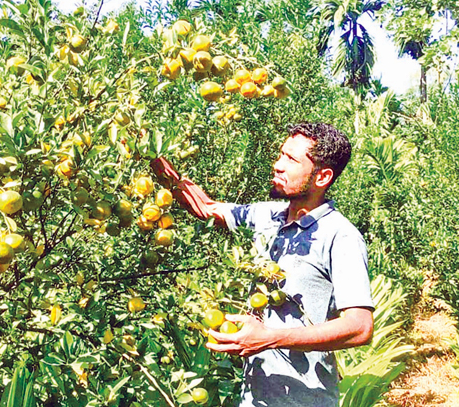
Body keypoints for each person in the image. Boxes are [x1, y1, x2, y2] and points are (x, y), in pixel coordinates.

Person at [151, 122, 374, 407]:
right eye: (281, 154)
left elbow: (360, 327)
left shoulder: (340, 236)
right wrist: (151, 153)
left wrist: (268, 339)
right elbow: (205, 207)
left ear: (323, 177)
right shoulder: (268, 216)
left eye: (291, 159)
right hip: (254, 398)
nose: (278, 165)